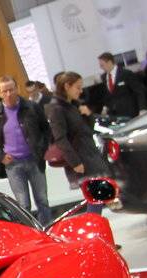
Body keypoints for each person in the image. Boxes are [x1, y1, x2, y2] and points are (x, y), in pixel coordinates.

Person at [0, 76, 53, 224]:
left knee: (42, 200)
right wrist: (0, 156)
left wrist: (42, 149)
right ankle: (31, 235)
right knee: (23, 205)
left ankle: (48, 230)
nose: (8, 94)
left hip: (34, 160)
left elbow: (45, 129)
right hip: (13, 165)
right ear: (0, 93)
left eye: (11, 90)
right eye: (4, 91)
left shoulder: (32, 107)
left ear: (17, 89)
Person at [46, 72, 113, 215]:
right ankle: (93, 229)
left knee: (97, 198)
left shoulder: (74, 105)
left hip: (89, 154)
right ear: (67, 86)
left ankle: (94, 229)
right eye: (78, 87)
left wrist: (88, 115)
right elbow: (60, 138)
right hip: (80, 160)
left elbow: (88, 129)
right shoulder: (57, 108)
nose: (81, 91)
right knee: (95, 198)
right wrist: (75, 162)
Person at [98, 52, 147, 118]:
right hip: (115, 114)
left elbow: (139, 91)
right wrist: (105, 108)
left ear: (109, 62)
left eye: (102, 65)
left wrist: (142, 109)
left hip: (130, 112)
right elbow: (108, 96)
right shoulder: (104, 77)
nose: (101, 68)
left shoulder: (126, 73)